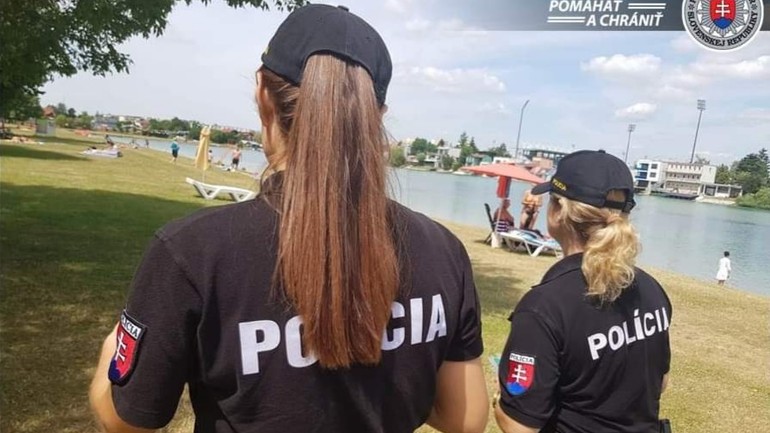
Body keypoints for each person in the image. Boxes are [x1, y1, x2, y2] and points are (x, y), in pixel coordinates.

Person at [89, 5, 488, 433]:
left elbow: (126, 420)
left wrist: (112, 348)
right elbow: (463, 419)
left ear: (263, 94)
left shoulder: (193, 252)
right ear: (377, 117)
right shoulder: (442, 250)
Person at [494, 150, 672, 433]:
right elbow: (660, 383)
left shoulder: (544, 307)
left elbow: (520, 426)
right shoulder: (650, 289)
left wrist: (500, 401)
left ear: (558, 211)